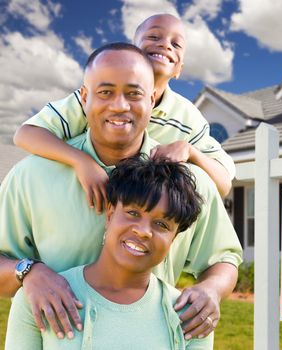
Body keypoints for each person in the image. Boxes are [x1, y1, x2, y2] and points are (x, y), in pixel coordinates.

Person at [0, 43, 242, 342]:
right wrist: (28, 272)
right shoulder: (31, 176)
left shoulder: (188, 183)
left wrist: (211, 290)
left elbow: (224, 257)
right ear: (85, 98)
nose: (119, 105)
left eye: (133, 93)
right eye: (105, 92)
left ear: (152, 99)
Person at [13, 13, 234, 207]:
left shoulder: (188, 117)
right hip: (83, 202)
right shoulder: (96, 99)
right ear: (132, 51)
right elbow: (26, 134)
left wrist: (190, 151)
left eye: (176, 45)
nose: (165, 45)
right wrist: (81, 161)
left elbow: (223, 185)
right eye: (154, 37)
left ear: (179, 69)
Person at [6, 156, 213, 349]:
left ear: (173, 239)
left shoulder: (192, 316)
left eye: (161, 224)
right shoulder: (41, 297)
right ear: (110, 215)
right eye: (133, 213)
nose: (142, 231)